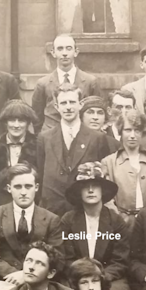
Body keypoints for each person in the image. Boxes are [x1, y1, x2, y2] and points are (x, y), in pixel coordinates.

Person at [59, 162, 133, 290]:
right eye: (85, 186)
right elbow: (65, 258)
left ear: (103, 190)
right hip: (76, 276)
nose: (91, 190)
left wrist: (100, 278)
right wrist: (83, 277)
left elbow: (120, 261)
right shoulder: (68, 220)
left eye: (95, 185)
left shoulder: (116, 221)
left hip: (108, 276)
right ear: (79, 192)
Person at [0, 164, 62, 290]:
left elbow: (57, 256)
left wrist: (27, 275)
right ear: (9, 188)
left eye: (28, 186)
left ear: (36, 188)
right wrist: (15, 275)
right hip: (3, 278)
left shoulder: (51, 219)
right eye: (18, 187)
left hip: (40, 279)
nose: (23, 192)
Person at [37, 83, 112, 216]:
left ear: (80, 104)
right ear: (56, 106)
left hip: (84, 210)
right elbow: (41, 174)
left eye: (72, 102)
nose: (68, 107)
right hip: (52, 210)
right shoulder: (45, 138)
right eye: (63, 103)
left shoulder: (97, 138)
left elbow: (103, 178)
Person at [101, 109, 146, 227]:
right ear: (121, 132)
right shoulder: (109, 162)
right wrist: (119, 218)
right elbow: (108, 198)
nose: (132, 136)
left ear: (143, 132)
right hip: (121, 222)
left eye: (137, 130)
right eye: (128, 130)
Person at [32, 34, 102, 133]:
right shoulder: (43, 84)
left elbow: (96, 113)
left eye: (68, 48)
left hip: (81, 135)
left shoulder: (90, 81)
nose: (64, 53)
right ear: (53, 53)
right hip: (51, 136)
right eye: (60, 49)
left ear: (76, 52)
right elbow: (37, 118)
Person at [0, 100, 38, 207]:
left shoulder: (38, 145)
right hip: (0, 204)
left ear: (28, 123)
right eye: (12, 120)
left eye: (21, 121)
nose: (16, 125)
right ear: (5, 122)